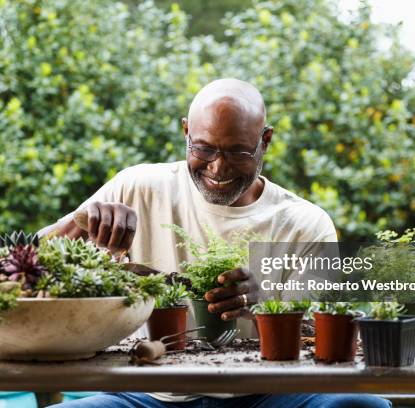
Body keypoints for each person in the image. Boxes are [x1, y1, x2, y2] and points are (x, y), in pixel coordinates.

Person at [42, 78, 391, 408]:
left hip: (269, 397)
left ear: (265, 141)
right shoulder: (138, 188)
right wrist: (81, 222)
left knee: (361, 405)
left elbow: (325, 336)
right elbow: (22, 263)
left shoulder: (304, 222)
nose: (219, 168)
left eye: (239, 152)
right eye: (204, 149)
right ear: (186, 132)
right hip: (151, 397)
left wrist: (266, 305)